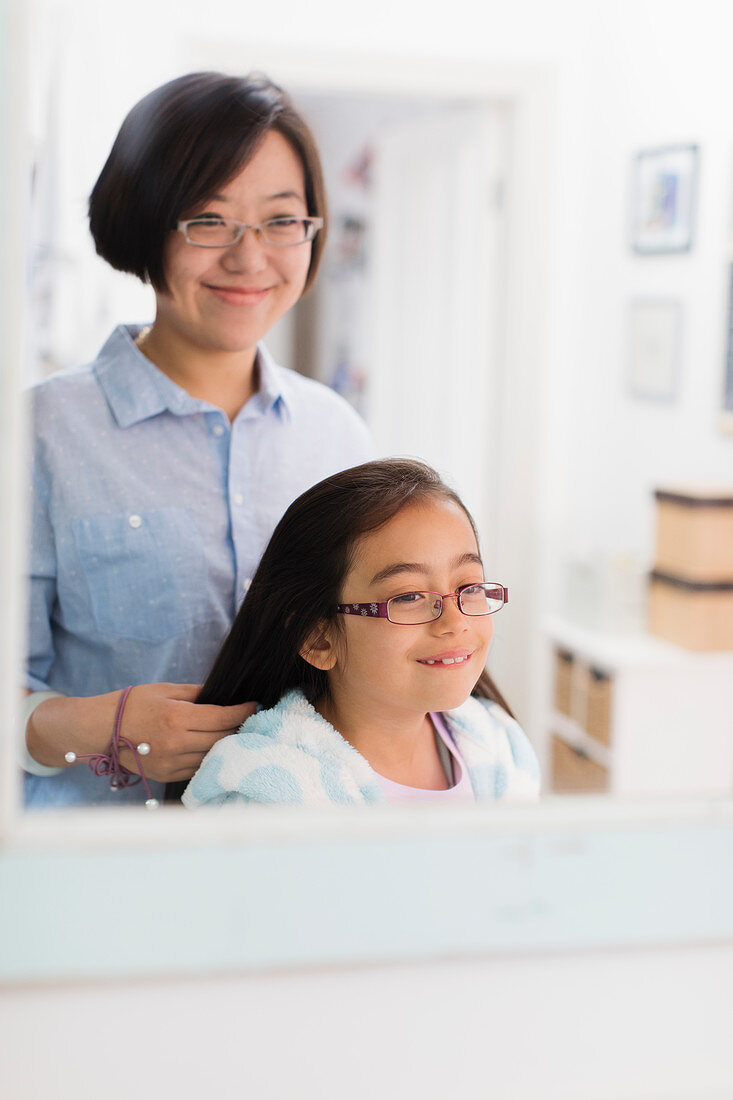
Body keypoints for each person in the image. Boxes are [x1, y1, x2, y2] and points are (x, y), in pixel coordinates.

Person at [23, 71, 373, 809]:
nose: (249, 259)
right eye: (208, 221)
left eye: (282, 221)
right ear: (143, 225)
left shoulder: (337, 435)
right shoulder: (39, 437)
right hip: (100, 869)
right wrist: (100, 725)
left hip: (298, 858)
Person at [183, 459, 540, 808]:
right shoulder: (267, 798)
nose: (454, 622)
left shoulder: (500, 746)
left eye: (470, 586)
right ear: (317, 640)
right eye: (409, 596)